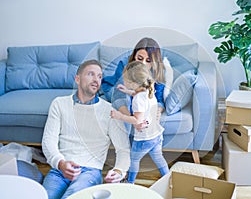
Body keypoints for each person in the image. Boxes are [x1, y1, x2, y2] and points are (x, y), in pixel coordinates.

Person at [42, 60, 130, 199]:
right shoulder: (59, 104)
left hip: (90, 171)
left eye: (100, 76)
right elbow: (48, 141)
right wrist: (60, 162)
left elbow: (123, 149)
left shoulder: (110, 111)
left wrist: (119, 171)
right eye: (91, 74)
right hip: (60, 169)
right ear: (77, 79)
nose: (96, 80)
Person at [110, 61, 169, 183]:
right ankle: (168, 178)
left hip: (144, 138)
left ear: (133, 83)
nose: (124, 82)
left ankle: (129, 182)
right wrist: (127, 91)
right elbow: (138, 95)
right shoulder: (148, 89)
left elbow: (137, 120)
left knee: (133, 160)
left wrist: (119, 116)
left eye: (126, 80)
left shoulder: (138, 100)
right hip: (156, 134)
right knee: (158, 157)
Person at [102, 37, 166, 124]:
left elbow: (159, 99)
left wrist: (157, 111)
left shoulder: (157, 70)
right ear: (134, 56)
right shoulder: (126, 64)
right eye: (139, 58)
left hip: (137, 94)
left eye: (148, 61)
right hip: (115, 89)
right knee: (127, 101)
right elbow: (119, 96)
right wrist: (131, 119)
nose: (142, 63)